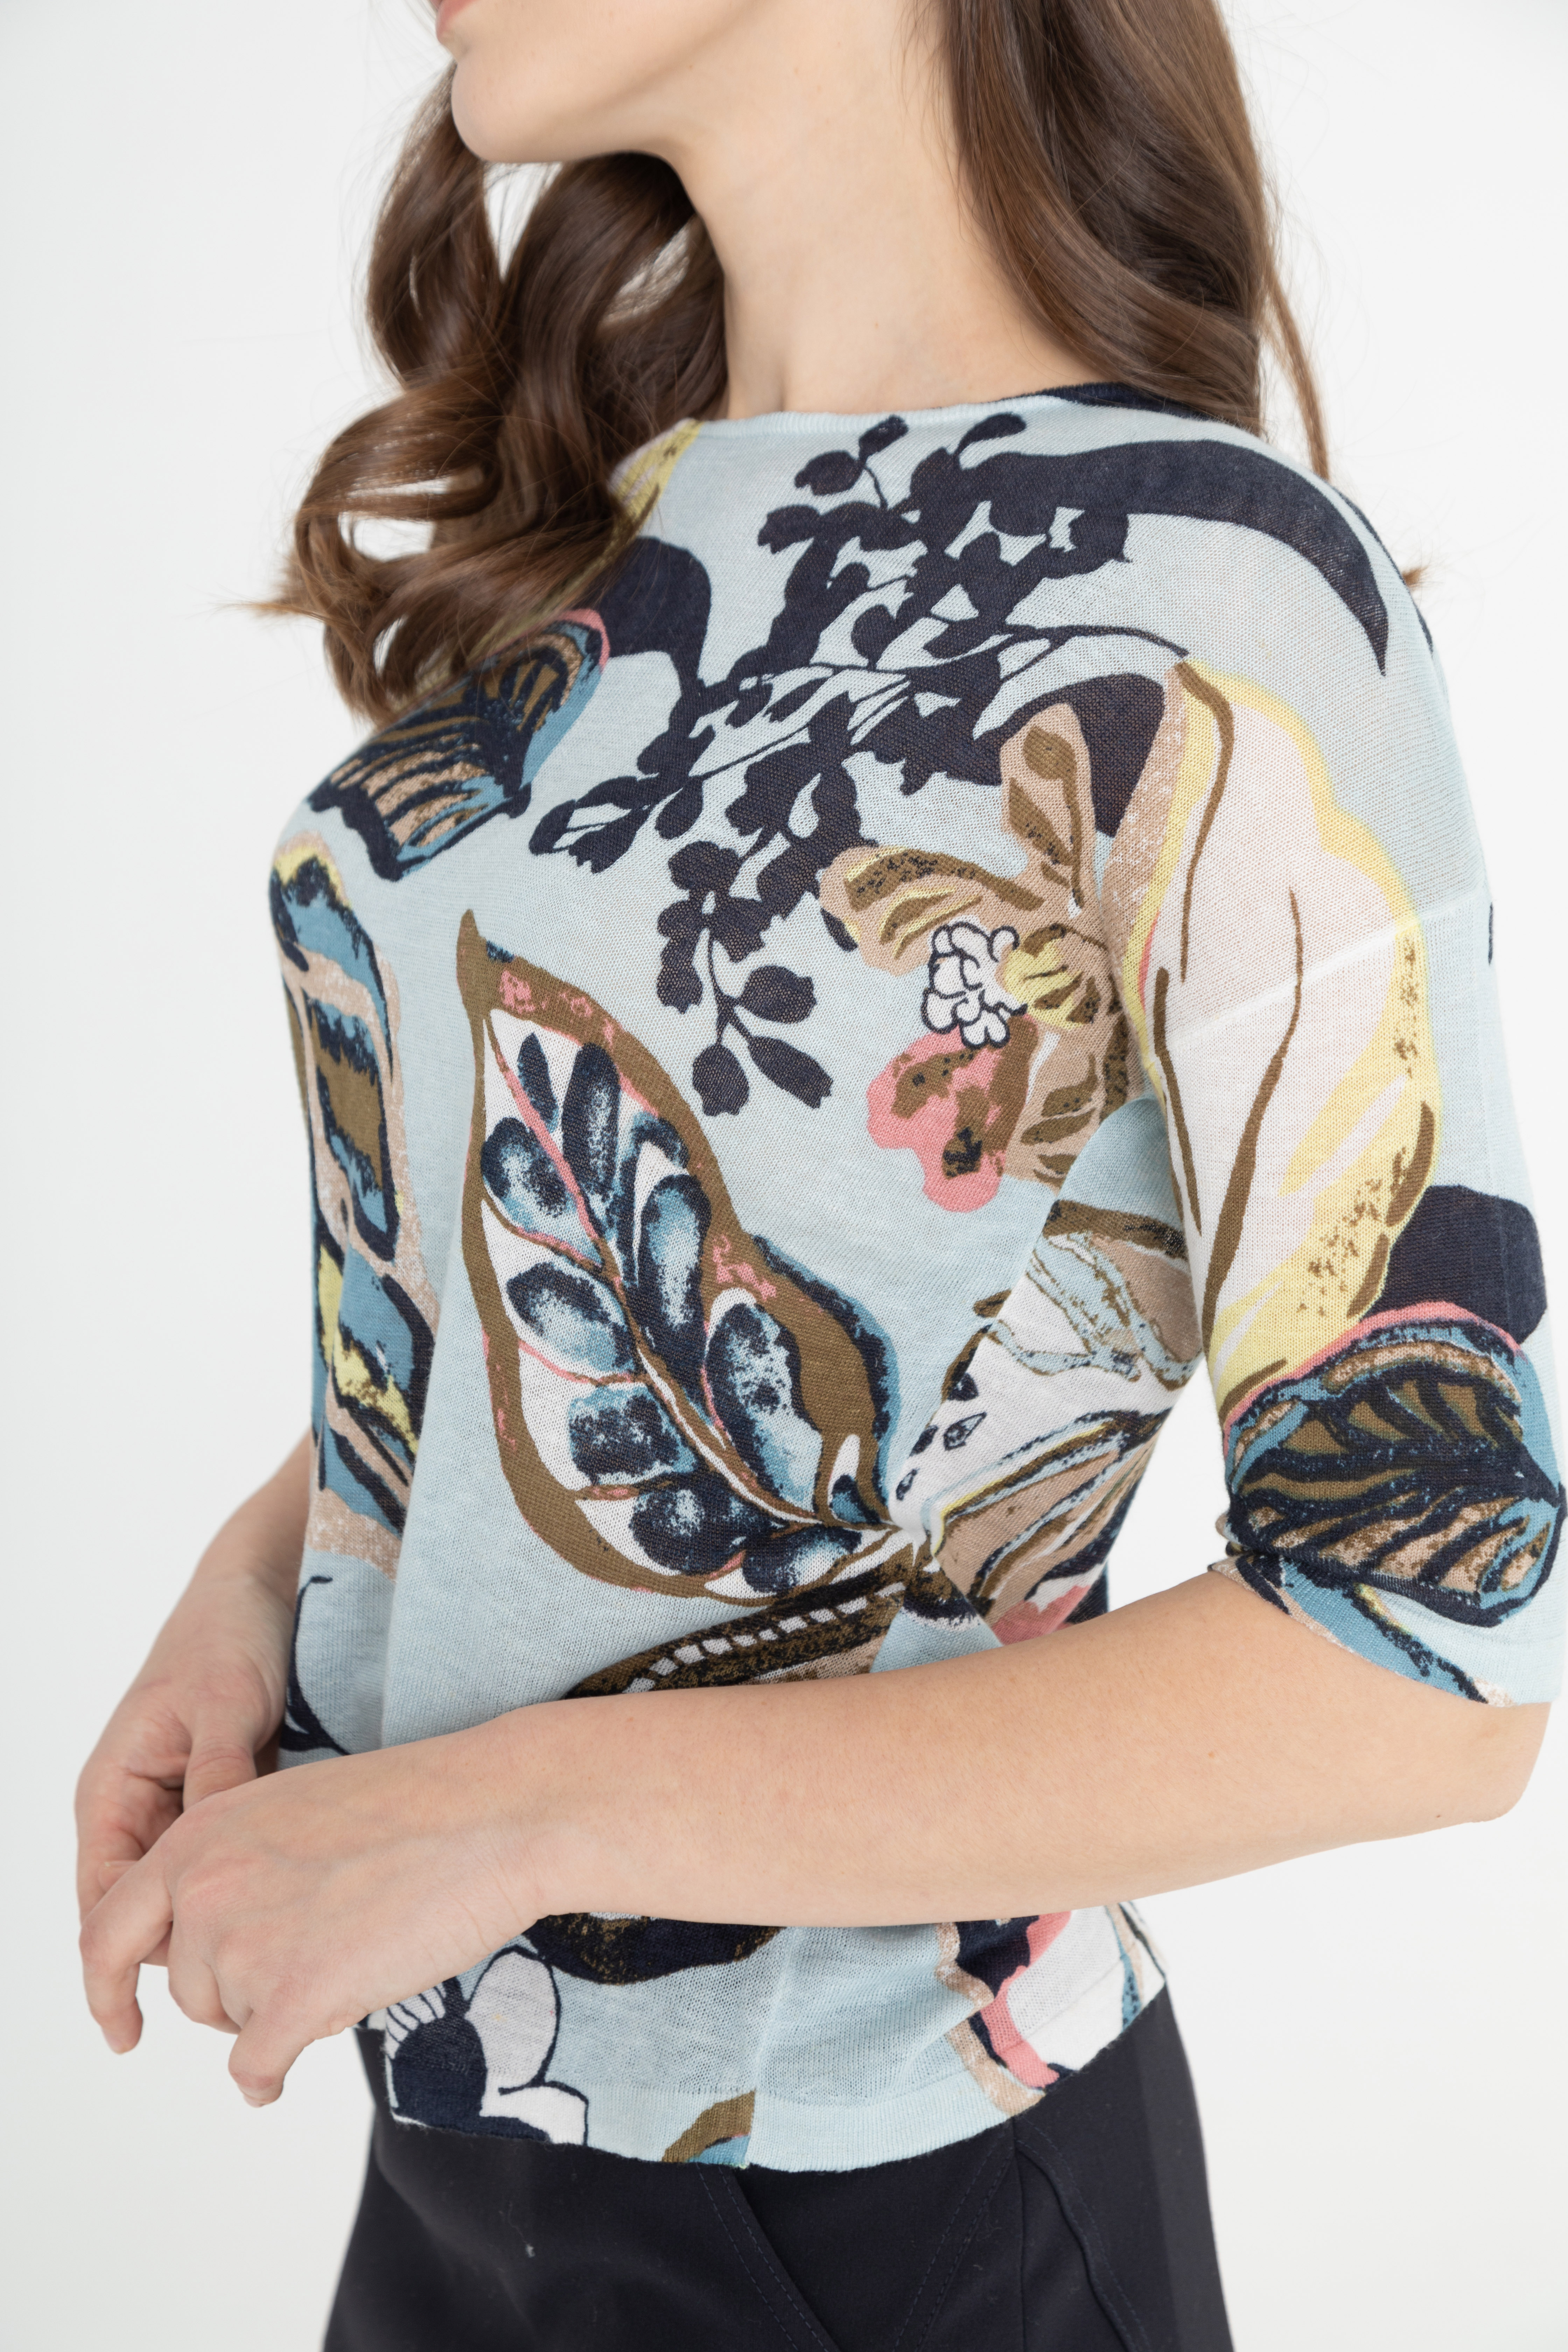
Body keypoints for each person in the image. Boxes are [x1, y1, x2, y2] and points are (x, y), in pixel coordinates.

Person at [74, 2, 1562, 2346]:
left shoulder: (1215, 590)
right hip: (464, 2145)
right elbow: (574, 1266)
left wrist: (520, 1812)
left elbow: (1430, 1658)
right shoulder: (620, 544)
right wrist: (263, 1575)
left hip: (885, 2208)